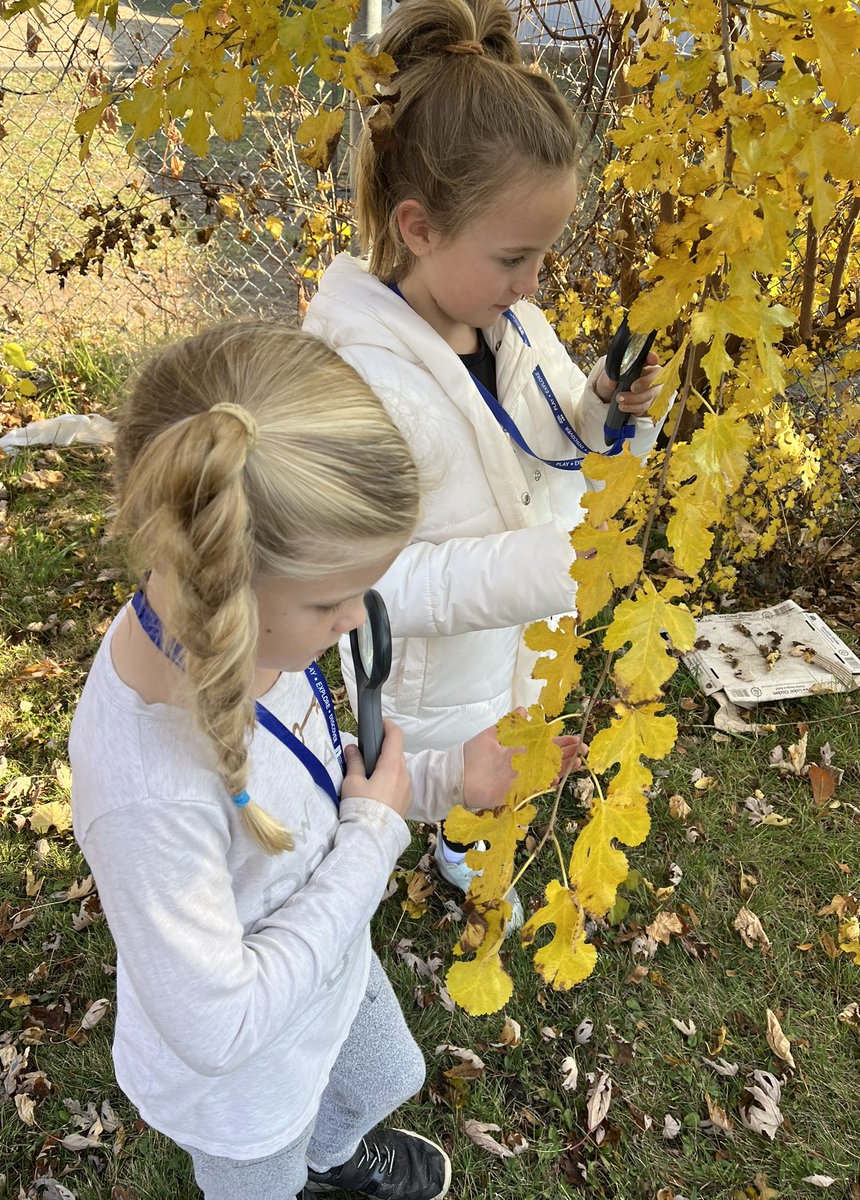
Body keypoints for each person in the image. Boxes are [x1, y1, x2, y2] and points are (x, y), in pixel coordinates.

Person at [69, 320, 581, 1200]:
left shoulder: (257, 645)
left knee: (389, 1079)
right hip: (246, 1089)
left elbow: (317, 790)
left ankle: (331, 1159)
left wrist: (447, 779)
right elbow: (220, 1025)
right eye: (333, 599)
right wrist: (374, 844)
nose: (356, 620)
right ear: (221, 583)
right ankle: (296, 1174)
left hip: (328, 972)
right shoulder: (147, 788)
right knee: (263, 1181)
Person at [303, 0, 668, 926]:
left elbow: (544, 445)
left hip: (513, 641)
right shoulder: (357, 384)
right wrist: (545, 567)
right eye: (515, 256)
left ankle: (472, 837)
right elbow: (365, 587)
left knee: (507, 759)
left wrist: (606, 407)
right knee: (462, 770)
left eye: (542, 255)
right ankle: (449, 838)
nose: (534, 283)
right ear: (419, 227)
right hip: (433, 677)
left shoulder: (511, 322)